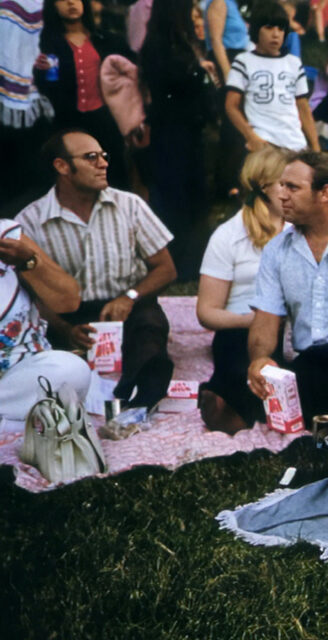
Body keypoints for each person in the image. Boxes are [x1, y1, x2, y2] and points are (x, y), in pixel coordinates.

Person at [17, 129, 176, 409]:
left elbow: (166, 269)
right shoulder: (30, 222)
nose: (103, 164)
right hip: (66, 315)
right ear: (62, 166)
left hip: (128, 305)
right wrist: (65, 329)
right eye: (91, 157)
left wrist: (129, 297)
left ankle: (135, 399)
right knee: (50, 365)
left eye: (104, 156)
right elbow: (29, 293)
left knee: (149, 330)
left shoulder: (129, 205)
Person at [246, 151, 328, 428]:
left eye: (292, 187)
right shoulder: (276, 250)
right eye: (281, 186)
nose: (281, 195)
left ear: (325, 193)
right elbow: (266, 317)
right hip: (309, 363)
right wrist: (261, 358)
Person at [196, 147, 290, 433]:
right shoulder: (229, 235)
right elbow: (207, 312)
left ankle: (247, 406)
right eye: (286, 183)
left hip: (297, 326)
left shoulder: (303, 227)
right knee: (241, 360)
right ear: (264, 186)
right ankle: (225, 403)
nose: (292, 192)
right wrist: (252, 320)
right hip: (244, 325)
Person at [140, 0, 219, 280]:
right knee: (175, 200)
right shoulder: (160, 47)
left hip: (189, 132)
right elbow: (175, 83)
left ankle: (196, 261)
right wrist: (198, 73)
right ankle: (180, 266)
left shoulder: (183, 45)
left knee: (194, 196)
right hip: (171, 133)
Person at [0, 219, 91, 429]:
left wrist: (29, 262)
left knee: (71, 371)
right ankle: (30, 422)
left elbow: (69, 300)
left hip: (22, 373)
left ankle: (19, 422)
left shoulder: (6, 236)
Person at [35, 0, 134, 189]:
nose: (71, 3)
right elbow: (45, 88)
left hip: (104, 121)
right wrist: (43, 72)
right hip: (68, 123)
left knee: (114, 177)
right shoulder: (47, 44)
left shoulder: (104, 40)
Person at [225, 4, 319, 153]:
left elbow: (303, 108)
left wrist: (315, 146)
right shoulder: (244, 61)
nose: (276, 34)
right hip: (264, 143)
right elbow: (231, 105)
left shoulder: (294, 63)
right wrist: (251, 137)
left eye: (280, 29)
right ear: (256, 30)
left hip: (295, 143)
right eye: (269, 28)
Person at [201, 0, 250, 197]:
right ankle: (227, 182)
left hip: (238, 60)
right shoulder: (218, 2)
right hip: (228, 62)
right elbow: (216, 40)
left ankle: (238, 178)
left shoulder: (232, 3)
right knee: (232, 121)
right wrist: (229, 74)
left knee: (240, 122)